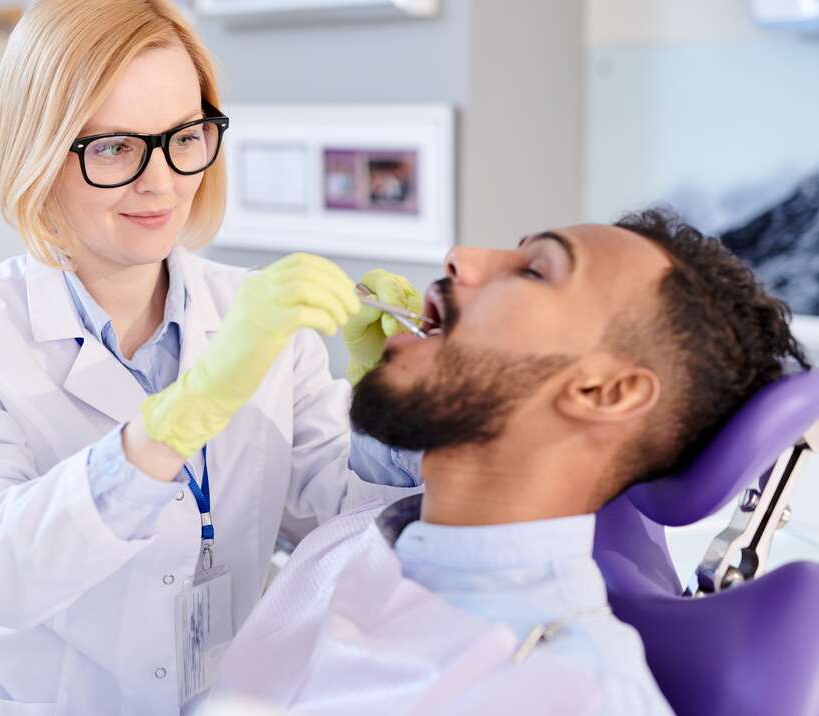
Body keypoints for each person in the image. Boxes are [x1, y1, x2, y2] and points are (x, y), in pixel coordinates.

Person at [0, 1, 423, 714]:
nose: (162, 181)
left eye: (184, 136)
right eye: (115, 147)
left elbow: (337, 517)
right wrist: (181, 416)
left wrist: (396, 414)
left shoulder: (259, 318)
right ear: (39, 153)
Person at [210, 209, 810, 715]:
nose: (461, 256)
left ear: (604, 392)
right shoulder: (361, 542)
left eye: (534, 270)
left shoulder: (571, 691)